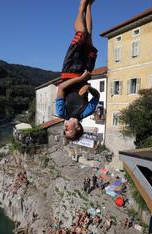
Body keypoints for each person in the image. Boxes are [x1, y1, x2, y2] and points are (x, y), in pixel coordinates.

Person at [55, 0, 100, 141]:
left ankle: (82, 6)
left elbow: (61, 87)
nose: (65, 128)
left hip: (70, 70)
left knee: (81, 34)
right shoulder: (86, 112)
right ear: (78, 128)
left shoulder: (61, 112)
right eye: (68, 131)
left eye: (64, 131)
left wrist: (81, 80)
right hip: (86, 71)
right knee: (89, 37)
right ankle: (89, 6)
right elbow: (97, 96)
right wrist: (89, 88)